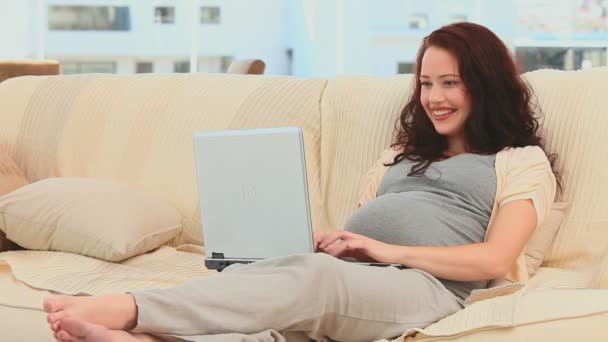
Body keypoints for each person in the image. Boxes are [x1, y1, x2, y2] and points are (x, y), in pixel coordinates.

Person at [43, 22, 559, 342]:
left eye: (450, 82)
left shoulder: (519, 161)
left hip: (433, 289)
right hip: (358, 276)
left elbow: (493, 259)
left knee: (312, 282)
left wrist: (382, 250)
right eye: (426, 82)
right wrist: (340, 243)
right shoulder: (395, 158)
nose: (434, 97)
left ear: (484, 85)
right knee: (276, 296)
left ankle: (128, 308)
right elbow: (361, 236)